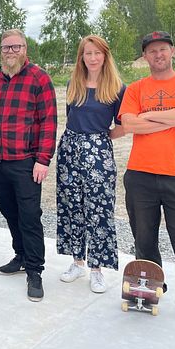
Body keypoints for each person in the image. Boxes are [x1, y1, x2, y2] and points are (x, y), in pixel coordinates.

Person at [118, 31, 175, 327]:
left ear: (172, 52)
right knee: (144, 238)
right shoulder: (136, 88)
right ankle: (150, 289)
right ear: (145, 56)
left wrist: (148, 119)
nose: (158, 55)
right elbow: (129, 123)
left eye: (163, 49)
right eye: (152, 51)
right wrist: (173, 115)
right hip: (141, 174)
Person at [0, 29, 57, 302]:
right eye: (5, 48)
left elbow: (48, 122)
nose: (10, 52)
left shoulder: (39, 78)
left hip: (25, 163)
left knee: (29, 216)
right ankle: (20, 255)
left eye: (15, 47)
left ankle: (35, 271)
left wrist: (43, 160)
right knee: (10, 213)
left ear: (25, 49)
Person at [55, 35, 126, 294]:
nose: (93, 58)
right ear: (81, 57)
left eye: (97, 53)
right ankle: (77, 261)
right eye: (88, 53)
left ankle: (97, 268)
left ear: (105, 56)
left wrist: (101, 139)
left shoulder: (117, 87)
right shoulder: (73, 83)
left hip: (98, 154)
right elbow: (70, 117)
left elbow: (122, 126)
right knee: (72, 206)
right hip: (69, 150)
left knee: (99, 209)